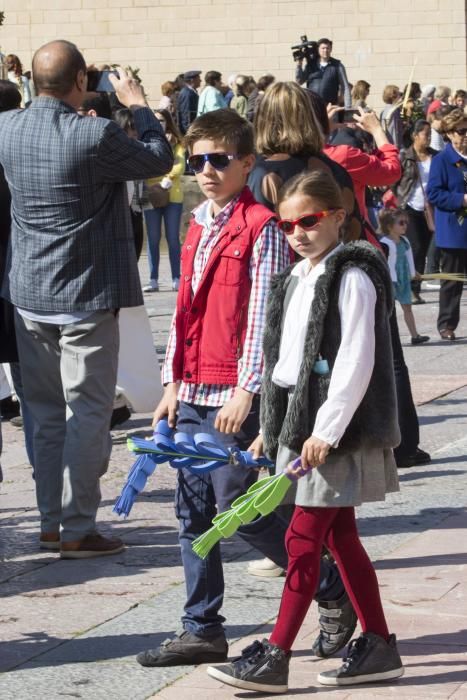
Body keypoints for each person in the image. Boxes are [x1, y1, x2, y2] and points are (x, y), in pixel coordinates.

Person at [207, 170, 404, 692]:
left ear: (338, 216)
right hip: (299, 425)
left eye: (309, 221)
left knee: (301, 539)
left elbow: (357, 360)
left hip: (329, 430)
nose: (297, 232)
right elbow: (285, 362)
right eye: (287, 223)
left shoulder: (352, 274)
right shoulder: (297, 277)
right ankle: (380, 645)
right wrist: (270, 431)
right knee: (341, 539)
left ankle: (276, 656)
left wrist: (328, 429)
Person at [0, 40, 173, 558]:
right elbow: (158, 160)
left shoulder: (6, 127)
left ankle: (51, 521)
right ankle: (77, 526)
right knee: (89, 412)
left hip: (28, 290)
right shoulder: (93, 133)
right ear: (80, 82)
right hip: (85, 292)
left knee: (45, 412)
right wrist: (139, 104)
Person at [136, 108, 292, 668]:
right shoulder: (197, 222)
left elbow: (263, 318)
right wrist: (170, 381)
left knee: (240, 509)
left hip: (232, 394)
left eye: (218, 160)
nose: (205, 169)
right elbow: (184, 312)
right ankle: (201, 627)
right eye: (195, 159)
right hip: (191, 391)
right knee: (192, 514)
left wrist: (247, 390)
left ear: (246, 163)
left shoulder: (261, 226)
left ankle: (327, 587)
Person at [427, 108, 467, 341]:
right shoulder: (442, 160)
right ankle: (447, 325)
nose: (465, 135)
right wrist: (460, 199)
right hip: (453, 230)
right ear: (450, 134)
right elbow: (434, 193)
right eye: (461, 131)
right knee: (452, 282)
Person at [395, 119, 437, 304]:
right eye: (425, 134)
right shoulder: (405, 156)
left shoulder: (436, 156)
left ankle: (415, 288)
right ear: (415, 135)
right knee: (416, 248)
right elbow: (393, 180)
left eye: (430, 134)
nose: (428, 137)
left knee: (424, 250)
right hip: (409, 207)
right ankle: (411, 289)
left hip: (430, 209)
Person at [143, 108, 185, 292]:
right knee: (152, 238)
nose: (159, 123)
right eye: (156, 119)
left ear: (168, 121)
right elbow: (144, 165)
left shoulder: (177, 142)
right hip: (150, 193)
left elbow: (179, 165)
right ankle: (153, 279)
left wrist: (165, 181)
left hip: (173, 194)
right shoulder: (145, 140)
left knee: (173, 238)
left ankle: (177, 277)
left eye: (162, 120)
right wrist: (154, 183)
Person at [379, 208, 429, 345]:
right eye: (401, 223)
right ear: (389, 226)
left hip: (403, 279)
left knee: (407, 307)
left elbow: (409, 259)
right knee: (388, 310)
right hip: (390, 280)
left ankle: (415, 335)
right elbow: (384, 263)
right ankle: (386, 339)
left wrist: (413, 273)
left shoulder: (405, 241)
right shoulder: (384, 242)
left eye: (406, 222)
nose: (405, 225)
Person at [295, 38, 351, 108]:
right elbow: (299, 81)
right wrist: (299, 65)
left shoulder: (338, 66)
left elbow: (345, 87)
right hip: (313, 106)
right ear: (318, 49)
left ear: (331, 49)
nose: (325, 50)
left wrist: (348, 107)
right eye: (323, 48)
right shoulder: (310, 65)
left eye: (327, 48)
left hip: (331, 107)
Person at [177, 70, 201, 135]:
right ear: (192, 80)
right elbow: (186, 114)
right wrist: (188, 132)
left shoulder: (191, 92)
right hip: (188, 131)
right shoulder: (187, 93)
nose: (200, 80)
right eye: (198, 79)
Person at [381, 85, 404, 149]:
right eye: (399, 94)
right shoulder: (393, 111)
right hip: (393, 147)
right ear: (393, 96)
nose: (401, 97)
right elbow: (394, 132)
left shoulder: (385, 110)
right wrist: (397, 149)